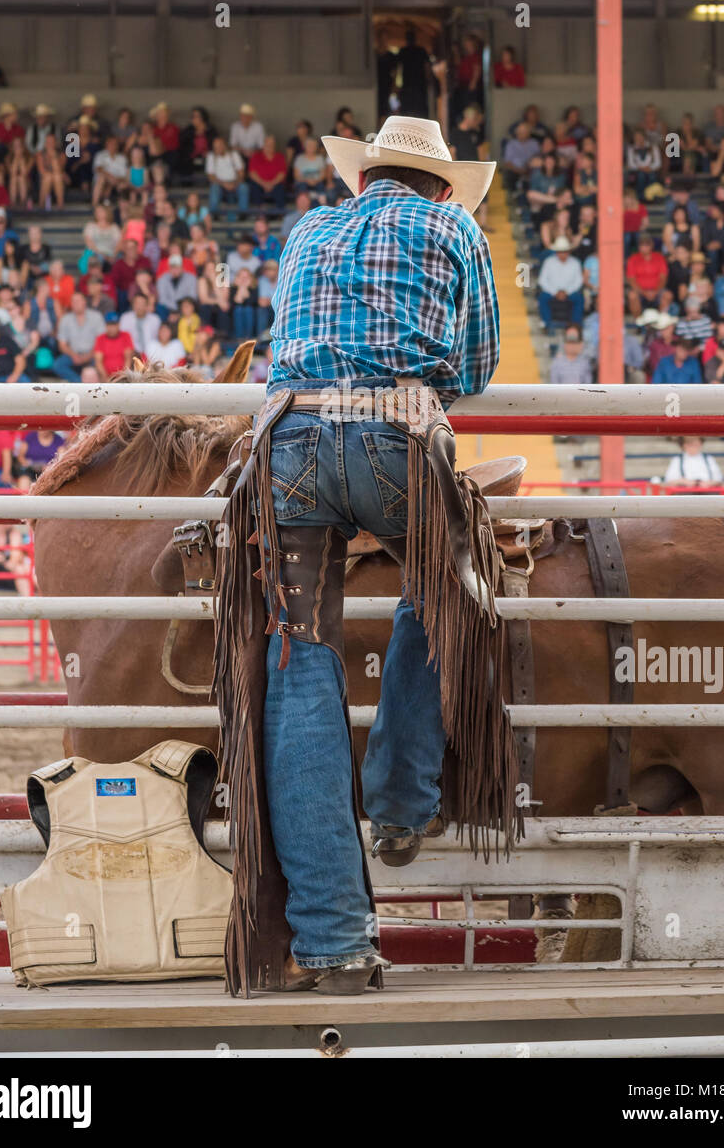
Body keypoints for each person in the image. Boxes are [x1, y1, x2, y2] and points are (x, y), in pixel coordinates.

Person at [217, 113, 508, 996]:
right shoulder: (453, 227)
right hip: (394, 444)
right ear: (444, 187)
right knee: (445, 598)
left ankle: (336, 943)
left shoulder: (310, 226)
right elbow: (476, 366)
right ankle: (397, 802)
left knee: (299, 662)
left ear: (361, 179)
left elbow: (283, 350)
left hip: (290, 444)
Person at [537, 236, 584, 328]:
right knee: (542, 298)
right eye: (560, 251)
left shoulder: (575, 263)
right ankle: (547, 324)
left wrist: (566, 292)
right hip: (552, 292)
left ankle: (575, 325)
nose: (562, 254)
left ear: (569, 251)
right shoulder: (548, 262)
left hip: (569, 293)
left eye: (565, 251)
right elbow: (542, 280)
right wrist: (555, 292)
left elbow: (579, 281)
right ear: (556, 252)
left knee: (579, 299)